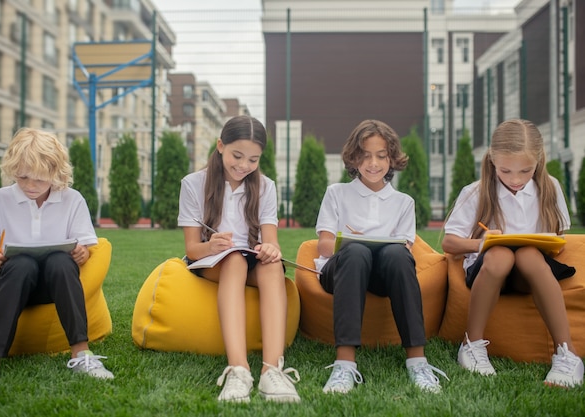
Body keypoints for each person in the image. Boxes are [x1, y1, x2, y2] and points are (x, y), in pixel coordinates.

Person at [0, 128, 113, 394]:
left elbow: (87, 249)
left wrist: (81, 254)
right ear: (13, 170)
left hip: (54, 287)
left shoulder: (72, 200)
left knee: (60, 261)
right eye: (23, 177)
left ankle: (81, 354)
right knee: (21, 265)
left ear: (57, 174)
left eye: (40, 179)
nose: (30, 186)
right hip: (9, 285)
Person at [442, 119, 584, 387]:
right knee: (501, 255)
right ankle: (471, 344)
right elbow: (449, 243)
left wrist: (545, 243)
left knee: (527, 254)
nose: (516, 180)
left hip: (532, 271)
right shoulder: (475, 191)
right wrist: (481, 243)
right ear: (493, 160)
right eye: (506, 171)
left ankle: (567, 354)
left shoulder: (550, 187)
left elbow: (560, 237)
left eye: (525, 171)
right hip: (490, 272)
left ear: (539, 161)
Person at [315, 119, 448, 394]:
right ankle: (344, 365)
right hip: (342, 271)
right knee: (355, 251)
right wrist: (351, 240)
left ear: (392, 159)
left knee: (397, 255)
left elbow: (406, 250)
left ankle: (417, 361)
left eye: (381, 156)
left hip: (382, 277)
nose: (372, 163)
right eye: (364, 155)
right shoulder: (336, 193)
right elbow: (324, 245)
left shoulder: (403, 203)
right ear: (353, 158)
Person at [177, 115, 300, 403]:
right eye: (237, 155)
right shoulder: (193, 184)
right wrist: (212, 246)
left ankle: (272, 370)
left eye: (253, 160)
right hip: (212, 261)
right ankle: (238, 370)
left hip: (251, 260)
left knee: (272, 267)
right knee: (234, 260)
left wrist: (271, 249)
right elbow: (192, 248)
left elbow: (271, 240)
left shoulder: (266, 187)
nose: (244, 165)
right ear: (220, 145)